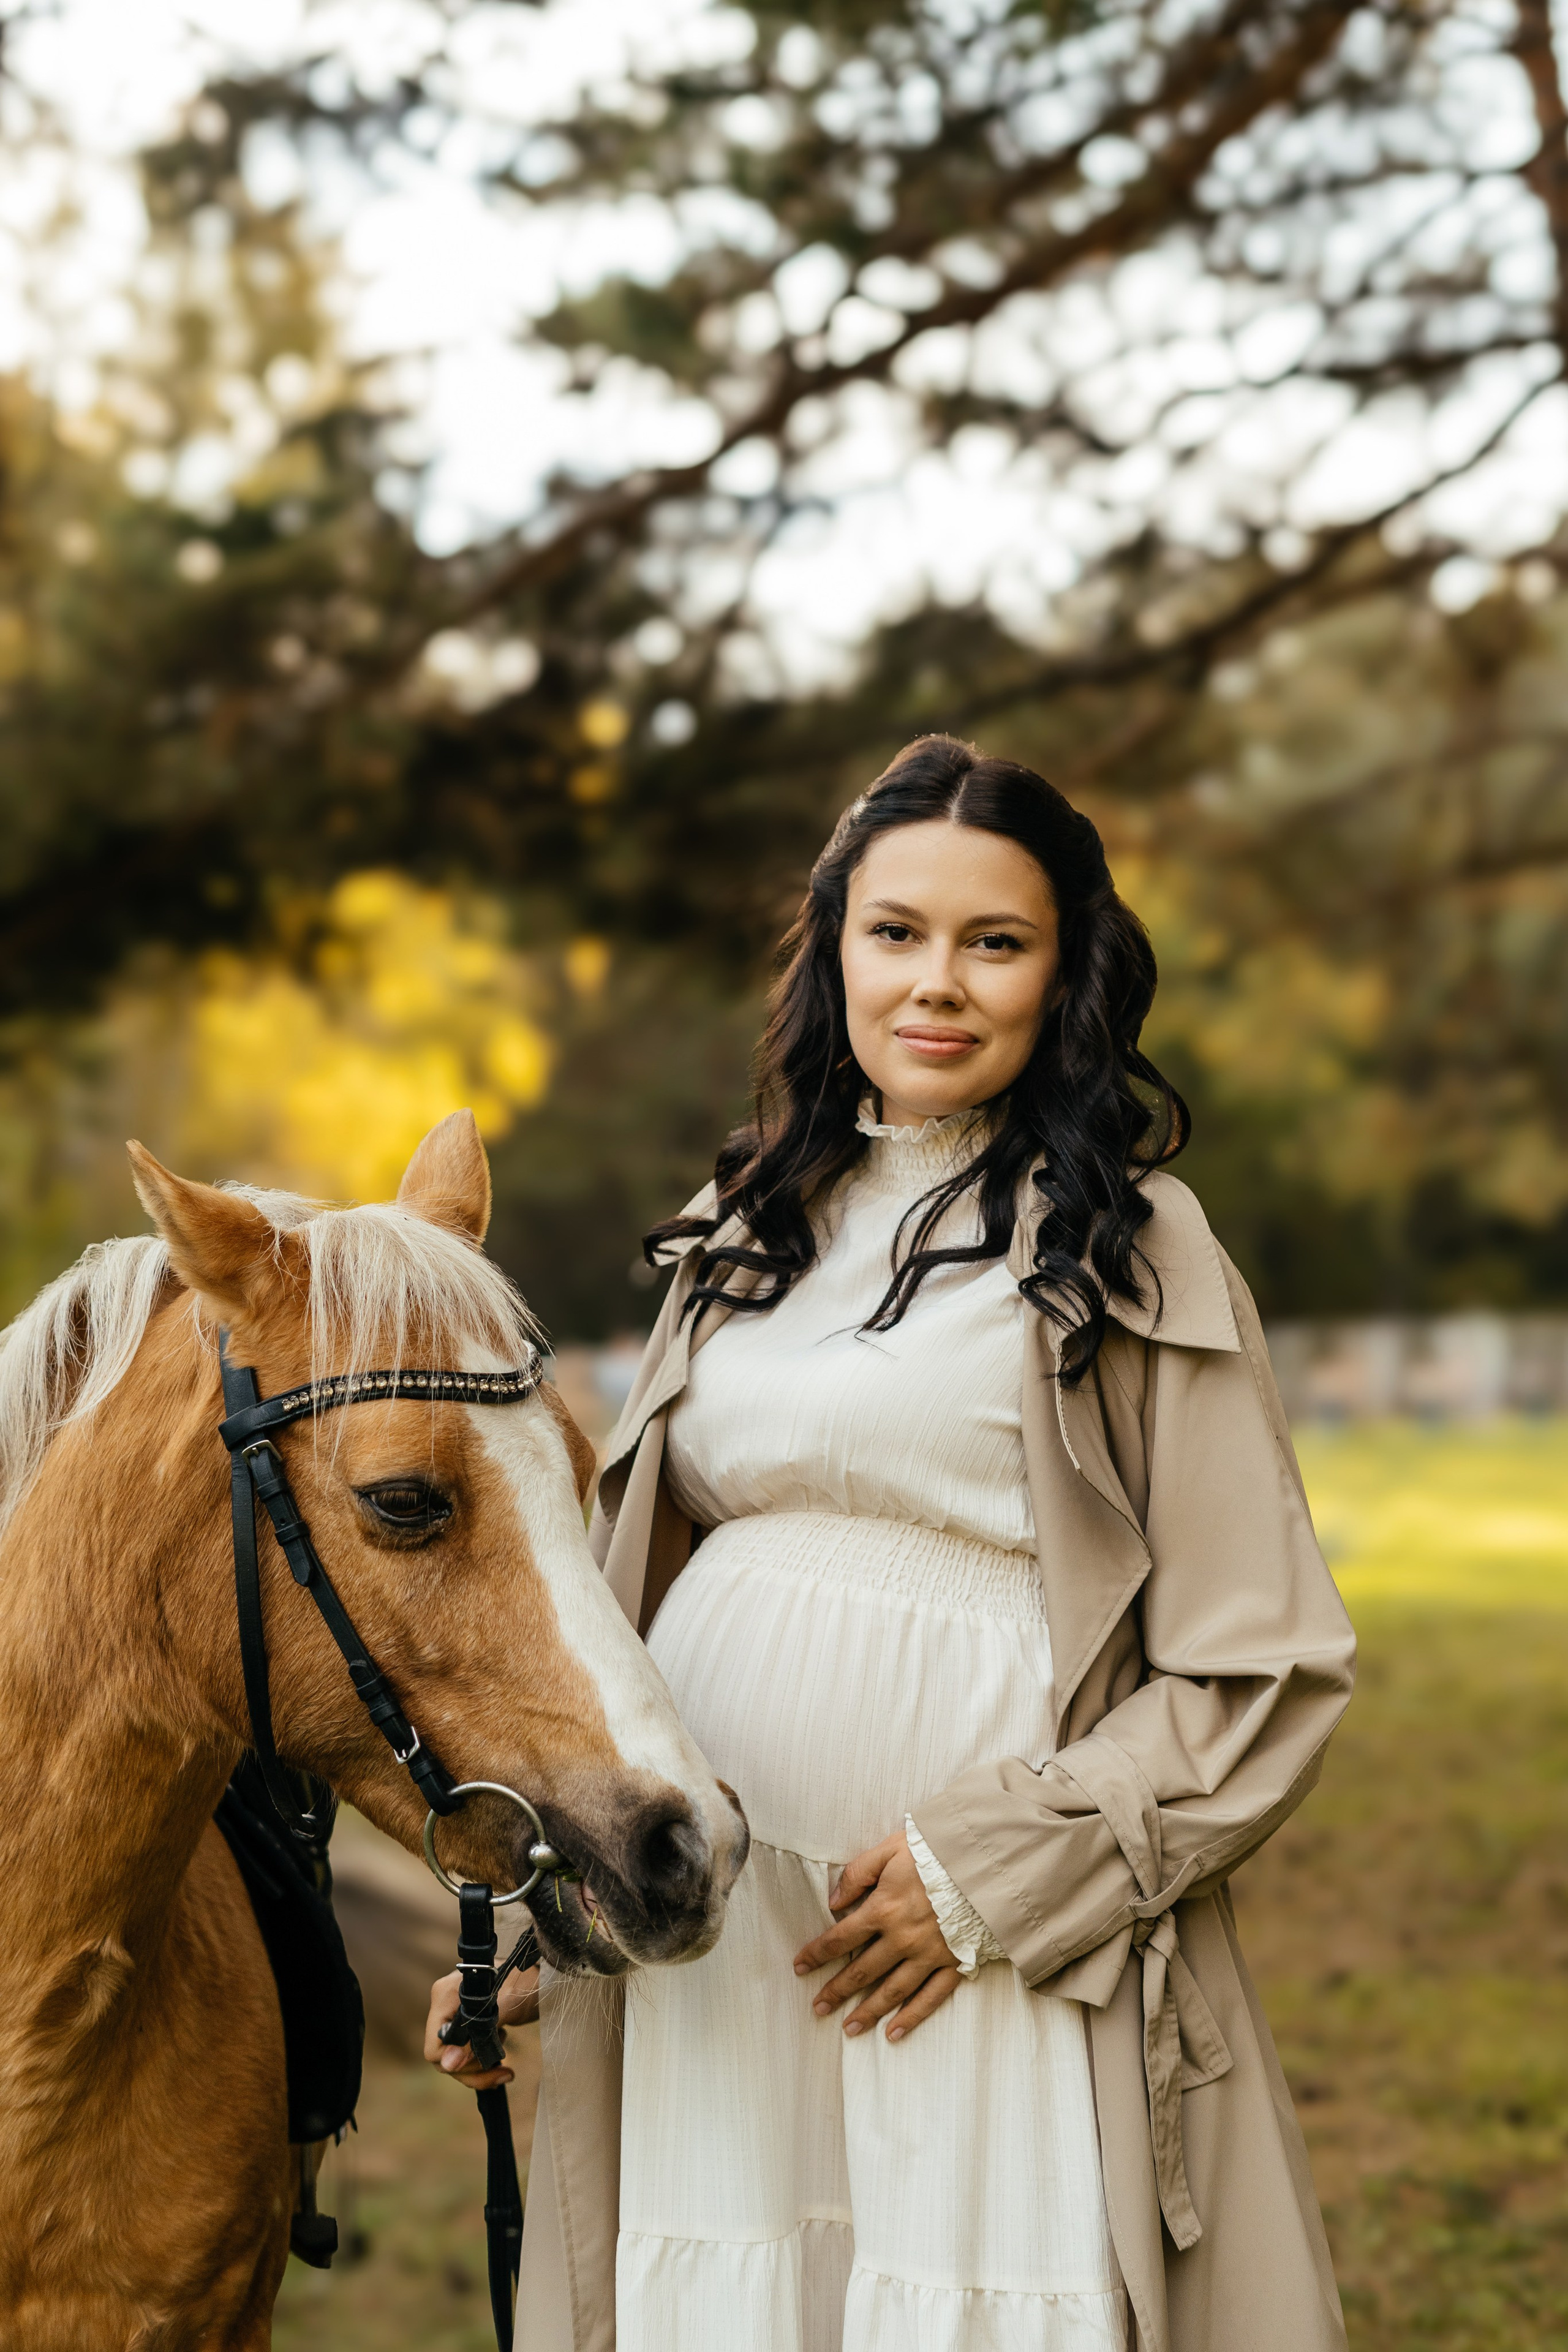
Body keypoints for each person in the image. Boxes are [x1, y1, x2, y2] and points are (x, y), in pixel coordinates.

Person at [428, 733, 1356, 2352]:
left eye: (995, 942)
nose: (937, 983)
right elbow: (619, 1621)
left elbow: (1263, 1673)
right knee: (733, 2284)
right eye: (896, 932)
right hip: (724, 1922)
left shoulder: (1131, 1249)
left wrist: (983, 1880)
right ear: (836, 950)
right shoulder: (740, 1230)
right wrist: (550, 1914)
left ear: (1063, 976)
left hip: (961, 1930)